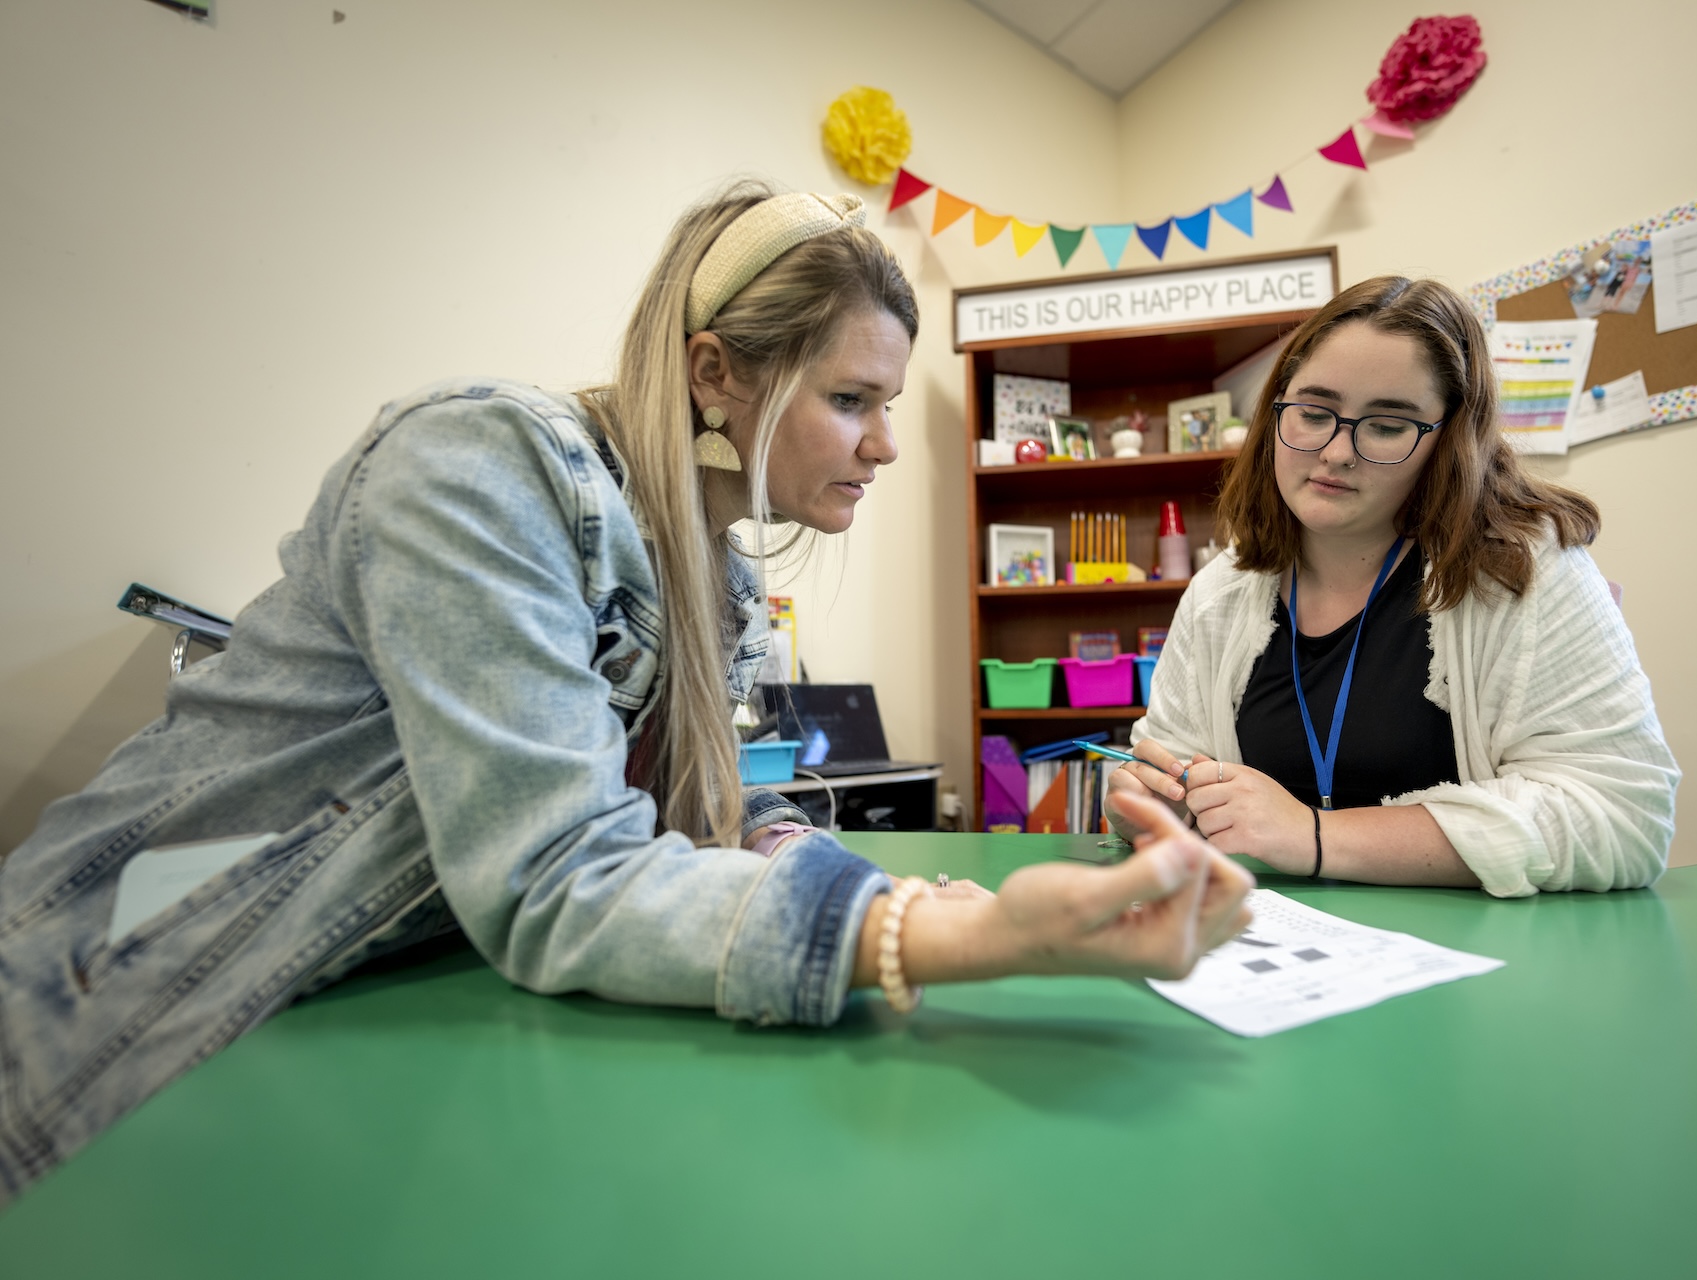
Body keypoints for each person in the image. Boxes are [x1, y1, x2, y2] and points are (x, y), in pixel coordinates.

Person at [0, 184, 1252, 1204]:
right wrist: (959, 934)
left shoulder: (720, 583)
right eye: (852, 400)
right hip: (119, 996)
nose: (883, 443)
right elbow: (557, 876)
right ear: (718, 371)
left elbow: (689, 828)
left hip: (361, 1005)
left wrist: (887, 885)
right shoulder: (479, 464)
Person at [1106, 276, 1679, 896]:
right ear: (1277, 410)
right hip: (1273, 958)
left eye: (1385, 426)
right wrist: (1150, 804)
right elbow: (1168, 770)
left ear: (1448, 441)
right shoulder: (1223, 590)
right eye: (1313, 412)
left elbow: (1625, 820)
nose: (1335, 451)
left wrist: (1314, 836)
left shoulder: (1527, 567)